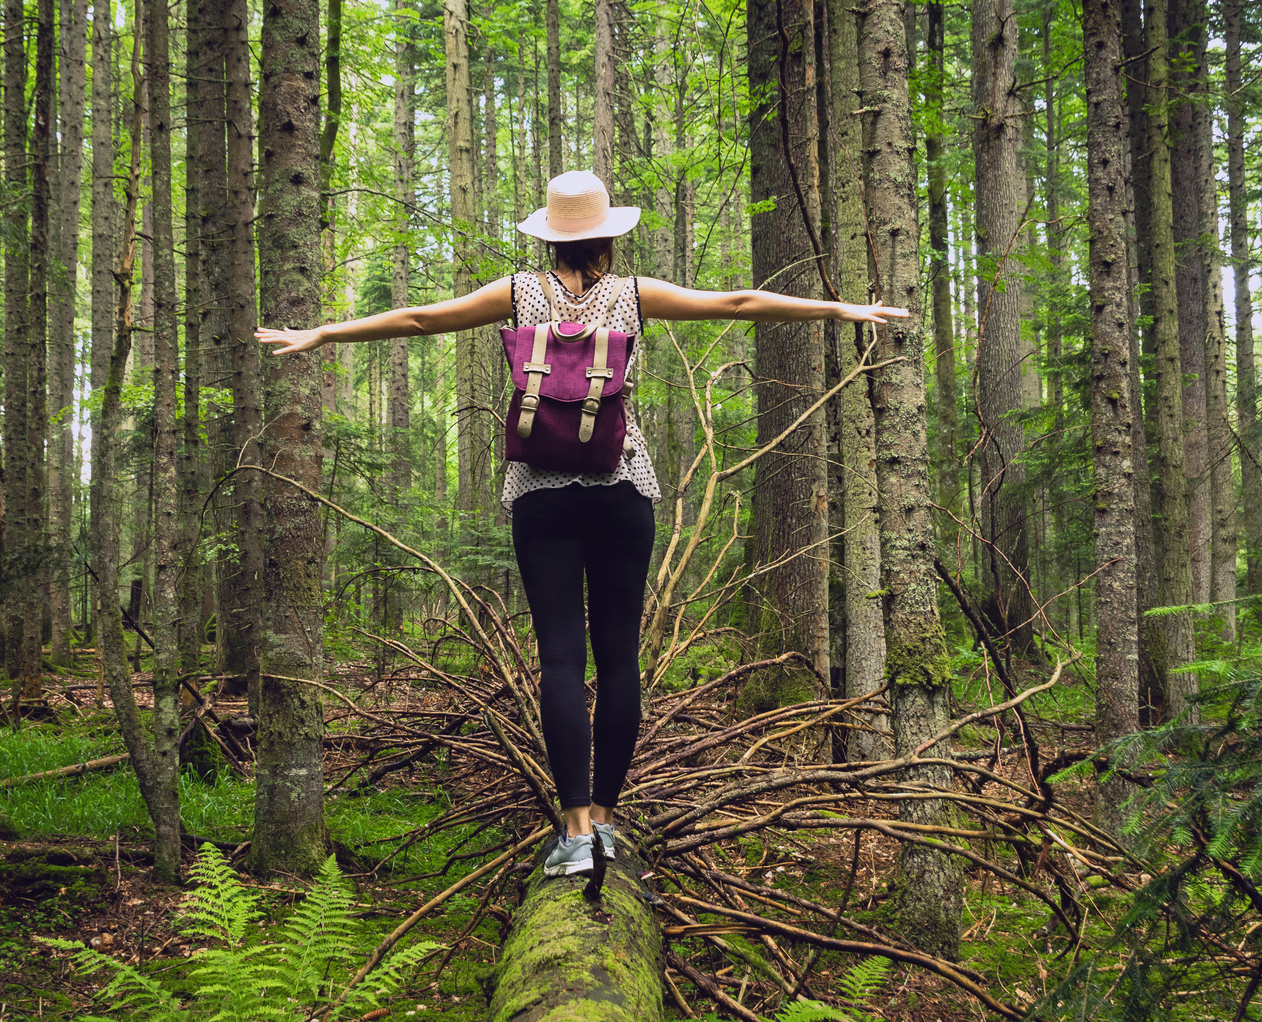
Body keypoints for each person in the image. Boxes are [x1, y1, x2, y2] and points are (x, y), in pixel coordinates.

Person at [257, 170, 908, 877]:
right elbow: (739, 301)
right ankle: (606, 821)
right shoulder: (632, 296)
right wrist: (840, 311)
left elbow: (418, 318)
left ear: (548, 235)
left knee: (562, 658)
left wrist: (322, 332)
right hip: (622, 484)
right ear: (607, 233)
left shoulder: (516, 293)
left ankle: (572, 832)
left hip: (540, 492)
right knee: (619, 656)